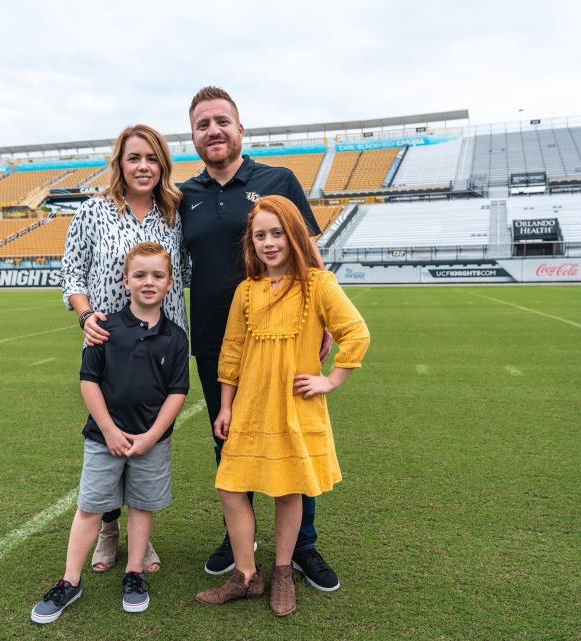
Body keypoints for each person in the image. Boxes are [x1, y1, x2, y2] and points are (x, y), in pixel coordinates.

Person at [179, 86, 341, 591]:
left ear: (240, 127)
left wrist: (326, 325)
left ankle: (303, 548)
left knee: (294, 437)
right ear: (193, 136)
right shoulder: (184, 196)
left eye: (222, 121)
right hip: (215, 341)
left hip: (288, 337)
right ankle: (241, 544)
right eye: (203, 124)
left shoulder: (278, 179)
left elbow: (310, 255)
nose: (214, 131)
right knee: (228, 440)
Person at [194, 195, 370, 615]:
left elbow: (357, 333)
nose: (269, 242)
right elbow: (232, 351)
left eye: (277, 233)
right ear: (250, 243)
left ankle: (284, 571)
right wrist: (225, 406)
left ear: (293, 234)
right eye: (260, 235)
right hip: (250, 407)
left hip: (294, 408)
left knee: (288, 491)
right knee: (230, 486)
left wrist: (330, 380)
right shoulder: (246, 291)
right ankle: (246, 576)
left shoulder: (318, 285)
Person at [32, 242, 189, 623]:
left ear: (170, 283)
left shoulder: (176, 336)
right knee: (90, 507)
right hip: (104, 440)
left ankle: (133, 573)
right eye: (140, 275)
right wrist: (109, 429)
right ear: (125, 281)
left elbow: (177, 392)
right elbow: (89, 382)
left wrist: (151, 436)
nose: (148, 282)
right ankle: (70, 580)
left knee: (141, 505)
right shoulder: (103, 328)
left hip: (151, 442)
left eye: (157, 275)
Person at [61, 123, 187, 575]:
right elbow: (73, 275)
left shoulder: (174, 213)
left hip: (161, 343)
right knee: (108, 434)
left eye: (152, 158)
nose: (143, 166)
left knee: (149, 433)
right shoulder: (93, 212)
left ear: (163, 165)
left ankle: (140, 541)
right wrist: (86, 316)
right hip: (109, 344)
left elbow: (184, 273)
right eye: (134, 157)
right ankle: (109, 530)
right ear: (119, 163)